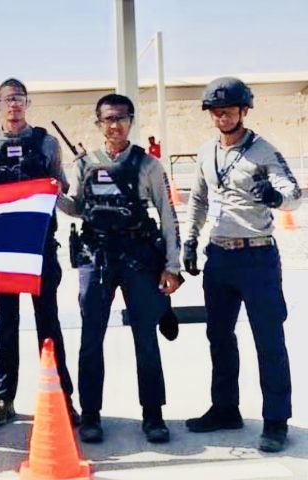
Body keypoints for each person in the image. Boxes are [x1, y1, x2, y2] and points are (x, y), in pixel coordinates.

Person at [183, 77, 301, 452]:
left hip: (257, 257)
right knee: (219, 336)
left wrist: (274, 196)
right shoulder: (206, 152)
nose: (223, 117)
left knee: (269, 340)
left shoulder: (263, 150)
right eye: (216, 111)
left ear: (244, 111)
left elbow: (294, 194)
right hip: (219, 256)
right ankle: (225, 409)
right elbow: (198, 200)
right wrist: (190, 240)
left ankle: (276, 420)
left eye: (229, 110)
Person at [62, 93, 181, 444]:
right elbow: (77, 207)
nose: (114, 125)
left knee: (146, 337)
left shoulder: (149, 165)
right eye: (108, 119)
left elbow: (168, 216)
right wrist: (51, 193)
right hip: (96, 258)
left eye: (121, 118)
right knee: (90, 338)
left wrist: (172, 266)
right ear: (98, 123)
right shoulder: (84, 164)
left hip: (138, 259)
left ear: (131, 121)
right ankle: (91, 415)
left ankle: (153, 415)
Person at [0, 78, 78, 426]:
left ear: (27, 103)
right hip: (2, 252)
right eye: (7, 99)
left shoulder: (47, 144)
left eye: (19, 98)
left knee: (49, 324)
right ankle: (3, 399)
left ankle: (62, 398)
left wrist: (68, 194)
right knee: (5, 325)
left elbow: (61, 188)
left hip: (40, 249)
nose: (13, 104)